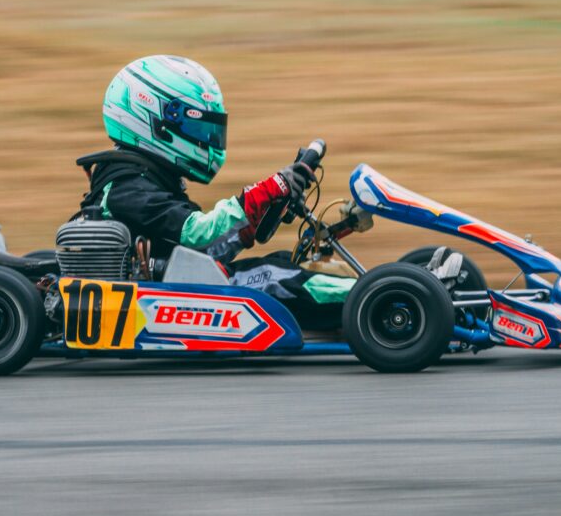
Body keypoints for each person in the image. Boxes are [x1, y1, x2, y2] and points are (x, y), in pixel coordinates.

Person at [74, 54, 355, 329]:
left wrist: (245, 230)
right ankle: (373, 296)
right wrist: (263, 193)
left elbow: (199, 253)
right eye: (196, 126)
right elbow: (196, 234)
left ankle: (371, 295)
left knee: (285, 262)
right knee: (276, 277)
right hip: (170, 299)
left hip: (180, 285)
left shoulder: (144, 178)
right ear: (154, 124)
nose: (206, 138)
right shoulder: (127, 187)